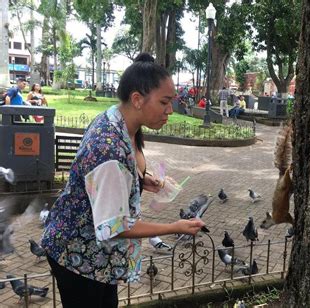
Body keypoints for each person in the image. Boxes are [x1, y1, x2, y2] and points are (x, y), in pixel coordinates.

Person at [41, 53, 205, 308]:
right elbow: (114, 227)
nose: (170, 111)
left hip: (94, 254)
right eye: (164, 102)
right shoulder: (108, 150)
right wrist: (175, 227)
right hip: (76, 255)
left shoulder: (117, 119)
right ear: (137, 99)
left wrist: (140, 181)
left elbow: (109, 178)